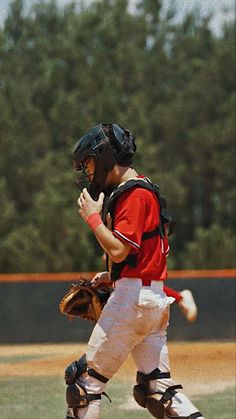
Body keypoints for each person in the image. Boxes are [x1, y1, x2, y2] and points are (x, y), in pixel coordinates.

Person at [65, 123, 204, 419]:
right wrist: (113, 275)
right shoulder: (142, 188)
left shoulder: (133, 195)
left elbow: (118, 249)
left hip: (133, 303)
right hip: (150, 299)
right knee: (157, 388)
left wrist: (93, 219)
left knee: (83, 385)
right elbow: (138, 254)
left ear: (104, 158)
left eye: (88, 163)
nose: (87, 172)